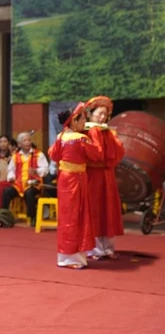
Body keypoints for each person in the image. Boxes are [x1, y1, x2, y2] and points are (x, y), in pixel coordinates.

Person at [48, 103, 103, 269]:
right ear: (74, 121)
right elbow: (97, 154)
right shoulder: (81, 139)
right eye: (83, 119)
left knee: (66, 216)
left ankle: (66, 257)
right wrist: (96, 134)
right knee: (77, 216)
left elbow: (53, 155)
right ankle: (73, 258)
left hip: (65, 178)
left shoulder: (61, 137)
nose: (85, 122)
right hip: (77, 179)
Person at [85, 96, 125, 259]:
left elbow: (119, 151)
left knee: (108, 209)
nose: (102, 117)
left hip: (107, 175)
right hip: (92, 175)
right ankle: (94, 248)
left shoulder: (108, 132)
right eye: (99, 113)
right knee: (94, 210)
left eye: (105, 114)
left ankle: (108, 248)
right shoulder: (86, 131)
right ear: (90, 114)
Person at [1, 132, 49, 225]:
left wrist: (36, 171)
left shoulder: (39, 154)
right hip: (19, 185)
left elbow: (45, 169)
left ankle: (32, 217)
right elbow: (11, 170)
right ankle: (3, 216)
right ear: (19, 144)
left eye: (29, 140)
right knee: (6, 191)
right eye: (25, 140)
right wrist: (11, 177)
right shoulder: (15, 156)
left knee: (29, 192)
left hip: (34, 184)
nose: (28, 142)